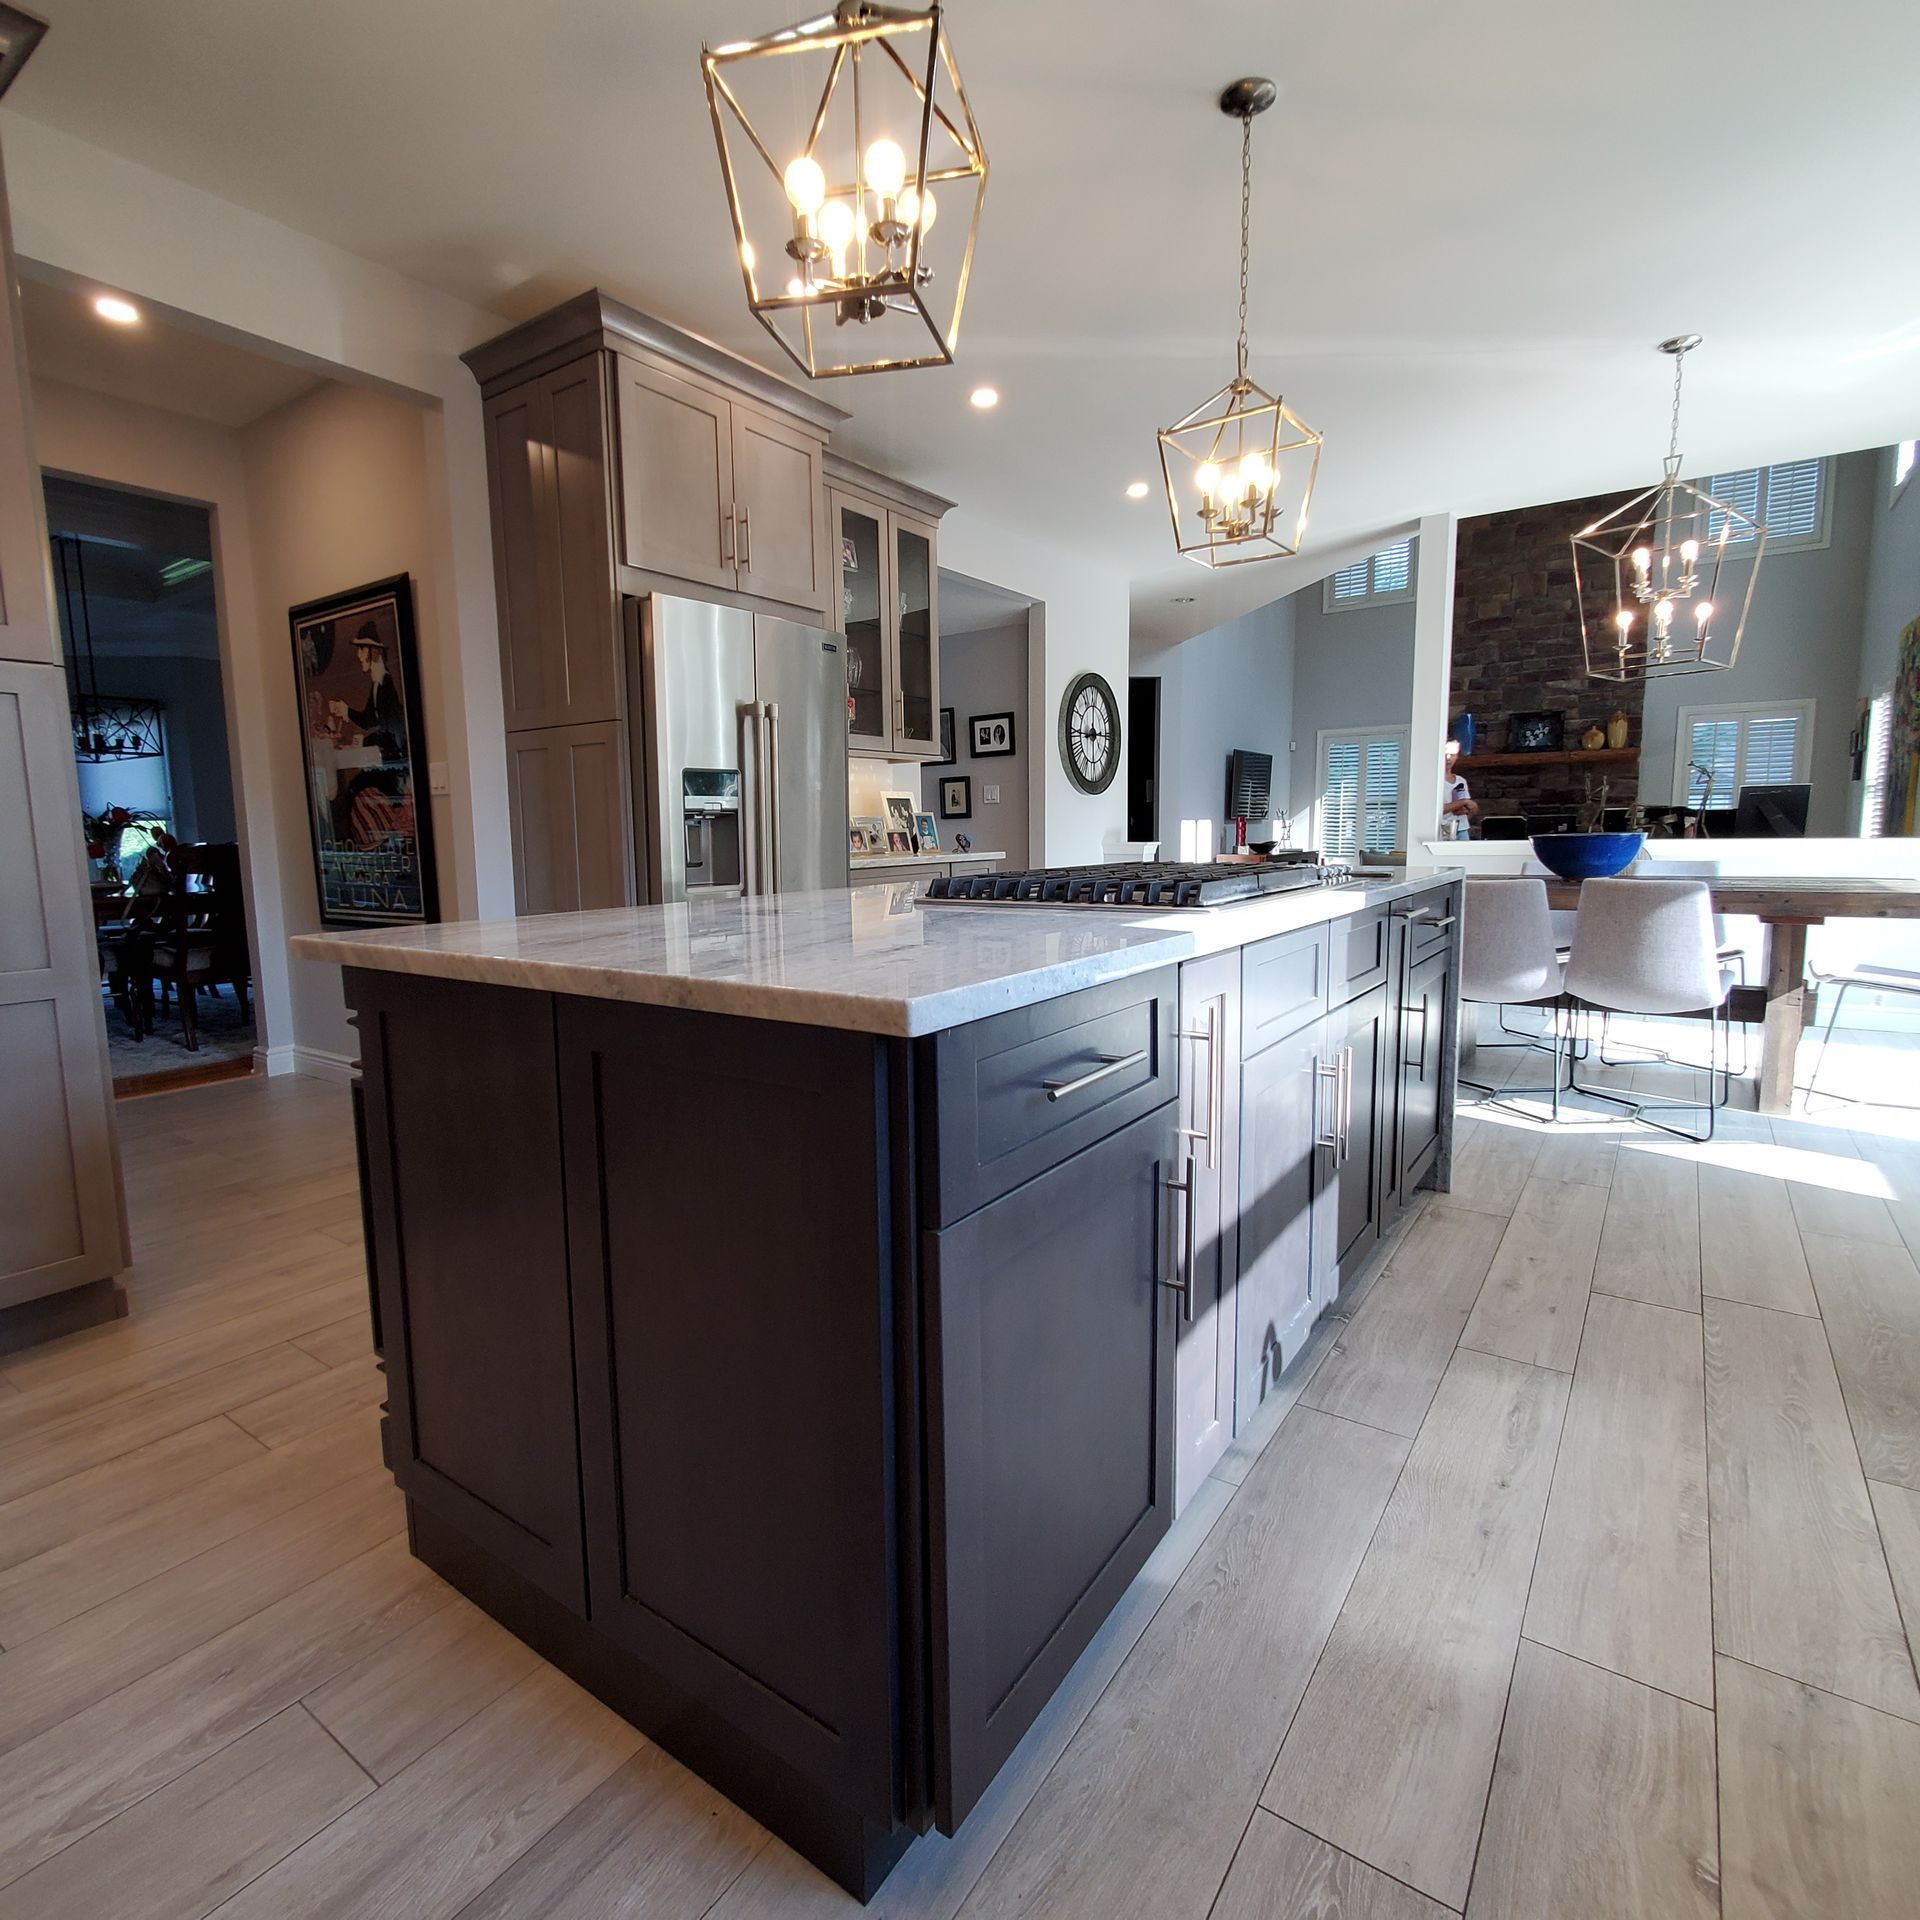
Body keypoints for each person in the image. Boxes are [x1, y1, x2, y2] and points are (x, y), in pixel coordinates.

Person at [1443, 739, 1478, 836]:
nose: (1448, 758)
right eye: (1445, 754)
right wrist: (1463, 802)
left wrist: (1470, 808)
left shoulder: (1461, 780)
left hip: (1462, 827)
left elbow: (1467, 807)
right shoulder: (1436, 781)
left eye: (1452, 755)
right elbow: (1437, 809)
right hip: (1445, 827)